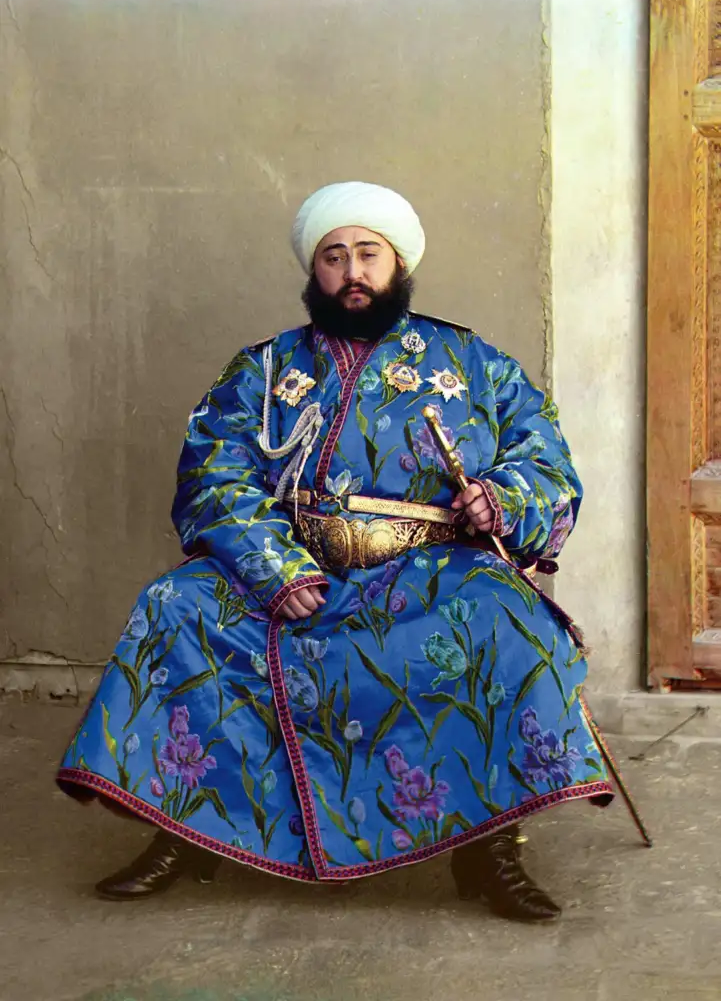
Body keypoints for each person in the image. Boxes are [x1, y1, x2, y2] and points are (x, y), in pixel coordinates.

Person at [57, 181, 613, 921]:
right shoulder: (262, 370)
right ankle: (183, 827)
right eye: (334, 257)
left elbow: (545, 464)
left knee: (505, 620)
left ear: (398, 264)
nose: (352, 272)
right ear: (313, 271)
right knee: (175, 606)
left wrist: (501, 500)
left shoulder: (473, 363)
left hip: (431, 572)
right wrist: (273, 569)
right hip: (295, 565)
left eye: (367, 255)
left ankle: (488, 850)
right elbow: (211, 471)